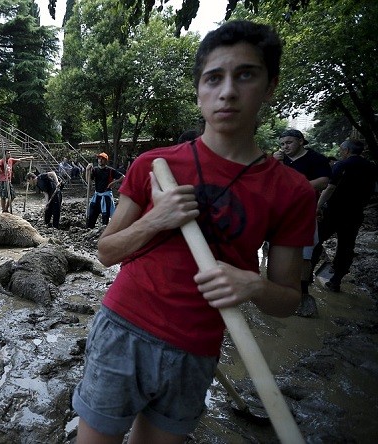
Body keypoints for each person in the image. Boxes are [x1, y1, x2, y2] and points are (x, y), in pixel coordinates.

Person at [73, 20, 316, 444]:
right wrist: (156, 218)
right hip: (123, 330)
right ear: (199, 91)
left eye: (245, 75)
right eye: (213, 78)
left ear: (270, 85)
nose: (227, 92)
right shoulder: (154, 164)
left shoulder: (291, 191)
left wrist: (252, 285)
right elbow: (107, 251)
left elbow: (287, 301)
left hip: (197, 347)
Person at [274, 128, 331, 317]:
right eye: (282, 144)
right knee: (277, 249)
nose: (285, 147)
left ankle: (303, 292)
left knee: (305, 254)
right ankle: (280, 289)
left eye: (289, 142)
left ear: (301, 141)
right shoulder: (280, 159)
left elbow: (324, 181)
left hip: (304, 213)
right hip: (280, 212)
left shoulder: (316, 159)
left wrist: (300, 187)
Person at [312, 139, 378, 292]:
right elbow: (374, 191)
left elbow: (329, 188)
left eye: (341, 149)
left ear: (347, 151)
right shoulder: (372, 167)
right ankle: (336, 281)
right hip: (355, 213)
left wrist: (318, 205)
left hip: (334, 212)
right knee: (346, 246)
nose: (340, 152)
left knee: (316, 240)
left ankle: (307, 276)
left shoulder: (341, 165)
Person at [85, 152, 124, 228]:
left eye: (102, 159)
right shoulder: (95, 170)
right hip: (97, 196)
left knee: (105, 218)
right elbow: (88, 182)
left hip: (106, 197)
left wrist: (114, 182)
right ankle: (89, 230)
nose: (100, 160)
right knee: (91, 216)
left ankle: (104, 232)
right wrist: (87, 170)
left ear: (106, 161)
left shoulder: (110, 171)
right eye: (99, 159)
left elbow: (123, 177)